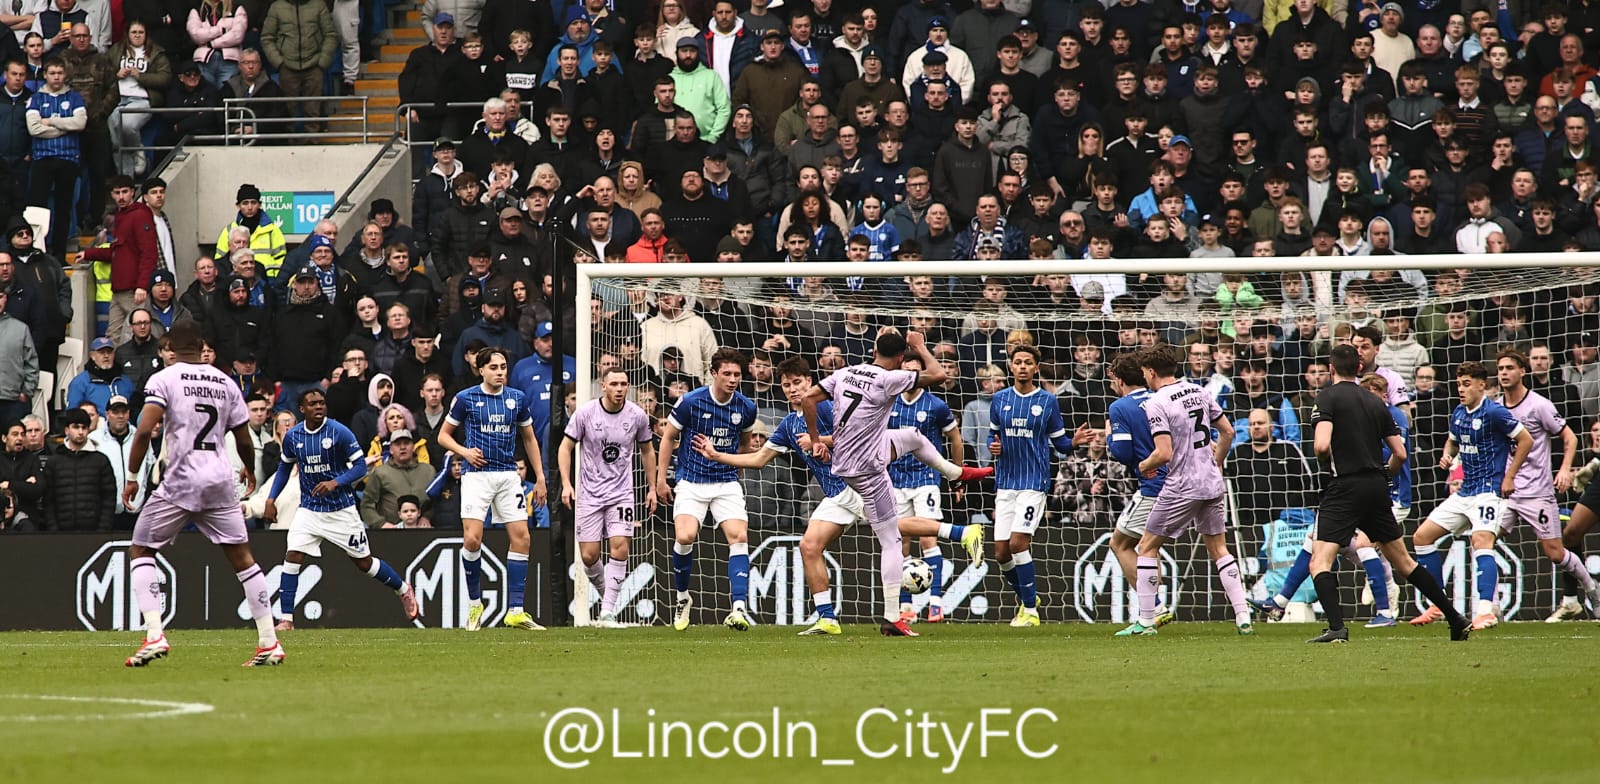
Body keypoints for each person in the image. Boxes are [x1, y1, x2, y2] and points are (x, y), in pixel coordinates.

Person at [697, 356, 984, 637]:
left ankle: (961, 532)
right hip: (835, 494)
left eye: (798, 382)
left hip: (856, 482)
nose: (793, 389)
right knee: (809, 547)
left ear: (810, 381)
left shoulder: (826, 408)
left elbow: (859, 432)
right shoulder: (788, 425)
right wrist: (717, 455)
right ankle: (827, 618)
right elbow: (759, 459)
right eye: (786, 385)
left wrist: (820, 441)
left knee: (891, 525)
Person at [799, 330, 990, 636]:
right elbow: (939, 374)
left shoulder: (844, 372)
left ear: (874, 350)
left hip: (851, 454)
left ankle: (955, 473)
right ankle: (892, 618)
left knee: (912, 435)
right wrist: (920, 346)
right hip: (866, 468)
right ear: (901, 359)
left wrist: (813, 438)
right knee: (891, 539)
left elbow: (809, 398)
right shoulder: (890, 379)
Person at [121, 320, 284, 667]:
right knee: (243, 559)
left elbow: (145, 430)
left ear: (170, 348)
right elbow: (242, 437)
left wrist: (133, 475)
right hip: (220, 480)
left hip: (181, 479)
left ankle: (154, 634)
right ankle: (269, 641)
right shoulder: (225, 382)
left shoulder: (164, 379)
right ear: (200, 346)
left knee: (141, 550)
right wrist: (248, 470)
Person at [1304, 345, 1472, 643]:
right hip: (1377, 486)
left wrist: (1325, 463)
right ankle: (1455, 617)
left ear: (1331, 368)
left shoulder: (1326, 397)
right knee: (1404, 562)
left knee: (1319, 561)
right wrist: (1384, 475)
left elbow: (1320, 445)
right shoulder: (1374, 402)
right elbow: (1400, 454)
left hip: (1343, 486)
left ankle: (1337, 628)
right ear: (1359, 368)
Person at [1116, 344, 1252, 637]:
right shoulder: (1199, 391)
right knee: (1219, 549)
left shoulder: (1157, 401)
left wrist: (1143, 466)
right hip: (1212, 483)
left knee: (1146, 548)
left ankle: (1147, 620)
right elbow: (1228, 432)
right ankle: (1243, 616)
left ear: (1150, 372)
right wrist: (1215, 462)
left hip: (1182, 485)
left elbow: (1163, 453)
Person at [266, 389, 418, 631]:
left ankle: (403, 589)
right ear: (302, 409)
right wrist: (271, 499)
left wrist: (336, 482)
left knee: (364, 563)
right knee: (292, 555)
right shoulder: (293, 436)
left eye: (322, 403)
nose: (319, 407)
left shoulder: (339, 431)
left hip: (341, 510)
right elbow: (285, 468)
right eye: (313, 404)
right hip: (310, 509)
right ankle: (286, 620)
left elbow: (359, 467)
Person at [1409, 360, 1534, 631]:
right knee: (1421, 537)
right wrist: (1447, 455)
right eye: (1458, 385)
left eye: (1467, 384)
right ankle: (1438, 605)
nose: (1461, 390)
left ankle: (1485, 611)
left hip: (1489, 491)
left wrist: (1509, 476)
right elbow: (1453, 441)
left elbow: (1526, 440)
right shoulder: (1458, 412)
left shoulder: (1495, 412)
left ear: (1481, 385)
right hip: (1464, 491)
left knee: (1482, 540)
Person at [435, 347, 548, 631]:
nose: (500, 372)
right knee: (472, 539)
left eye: (503, 367)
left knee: (522, 538)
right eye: (494, 367)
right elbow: (443, 436)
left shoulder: (517, 398)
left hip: (508, 475)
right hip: (477, 475)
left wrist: (541, 477)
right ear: (481, 369)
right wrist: (464, 452)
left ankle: (516, 610)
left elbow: (530, 439)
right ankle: (475, 604)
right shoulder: (466, 398)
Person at [653, 347, 758, 632]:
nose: (733, 379)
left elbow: (745, 445)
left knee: (739, 536)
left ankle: (738, 607)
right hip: (692, 480)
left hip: (726, 482)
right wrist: (662, 480)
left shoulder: (746, 407)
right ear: (714, 373)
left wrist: (735, 472)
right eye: (727, 373)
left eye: (737, 374)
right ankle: (683, 597)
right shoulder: (691, 401)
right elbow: (668, 438)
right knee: (685, 536)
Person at [1492, 350, 1599, 619]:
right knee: (1483, 540)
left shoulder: (1539, 405)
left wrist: (1564, 470)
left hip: (1537, 492)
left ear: (1522, 372)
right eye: (1500, 368)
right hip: (1506, 492)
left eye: (1509, 368)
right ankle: (1488, 605)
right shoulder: (1495, 406)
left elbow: (1570, 437)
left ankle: (1591, 591)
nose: (1504, 373)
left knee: (1555, 553)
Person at [1072, 352, 1176, 627]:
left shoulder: (1120, 407)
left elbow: (1121, 451)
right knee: (1214, 546)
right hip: (1185, 483)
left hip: (1154, 486)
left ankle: (1152, 608)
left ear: (1118, 380)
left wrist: (1109, 435)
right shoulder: (1162, 398)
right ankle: (1240, 615)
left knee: (1120, 544)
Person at [558, 368, 657, 627]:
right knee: (589, 556)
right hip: (589, 493)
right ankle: (608, 599)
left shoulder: (637, 415)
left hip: (621, 493)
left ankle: (607, 611)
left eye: (624, 384)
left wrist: (652, 487)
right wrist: (567, 484)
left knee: (620, 547)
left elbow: (647, 451)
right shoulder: (585, 414)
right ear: (603, 386)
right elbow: (565, 447)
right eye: (614, 383)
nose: (619, 388)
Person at [887, 354, 966, 623]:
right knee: (899, 542)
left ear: (922, 375)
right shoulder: (889, 402)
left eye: (915, 372)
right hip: (895, 480)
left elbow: (955, 438)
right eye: (906, 370)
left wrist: (956, 475)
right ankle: (906, 606)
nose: (910, 376)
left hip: (926, 479)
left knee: (927, 538)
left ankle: (935, 602)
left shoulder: (936, 405)